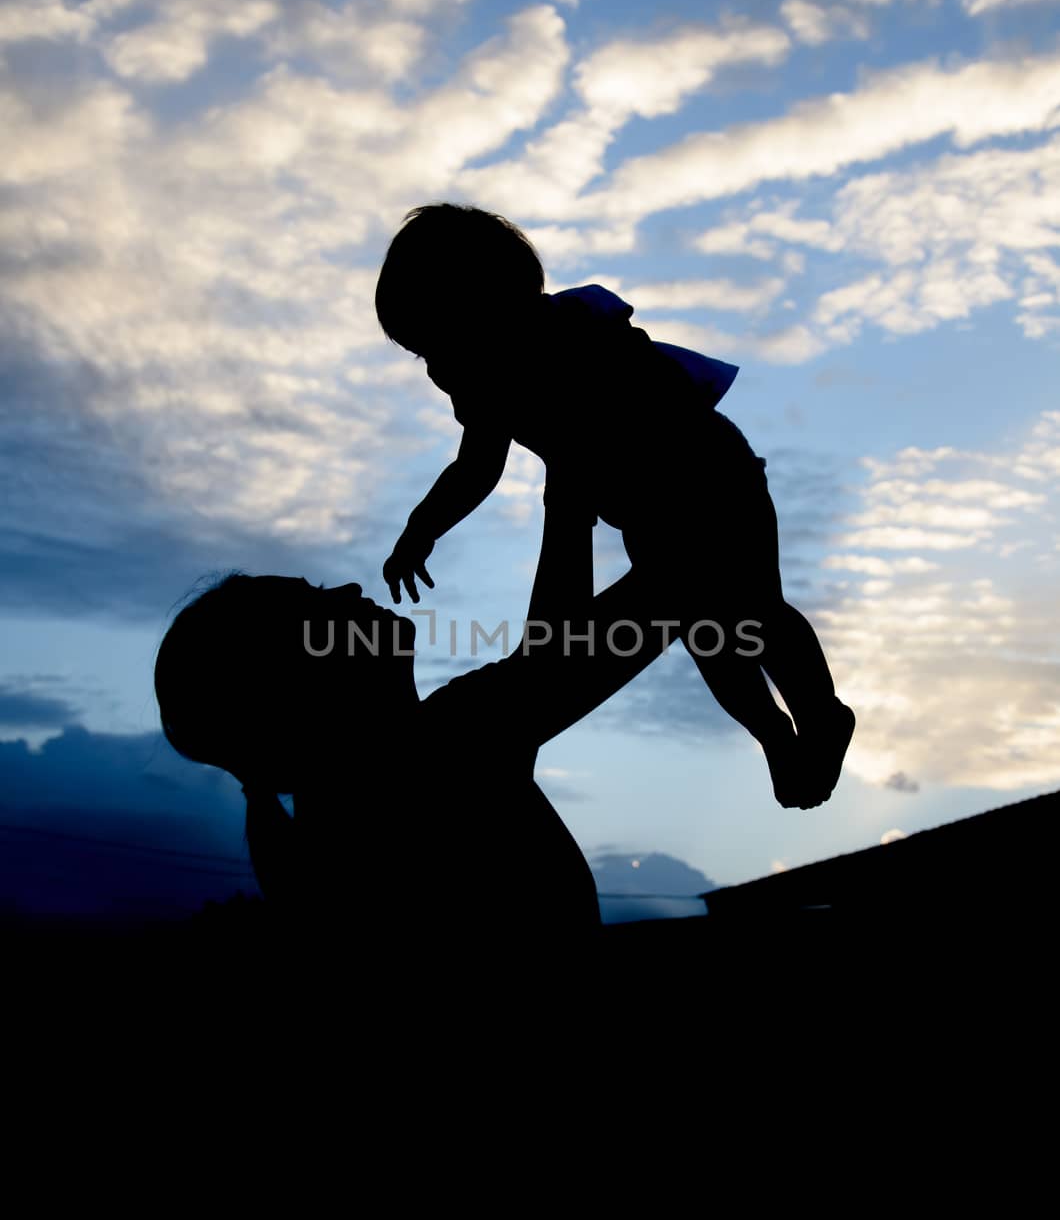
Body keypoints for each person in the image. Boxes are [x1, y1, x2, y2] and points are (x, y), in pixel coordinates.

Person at [375, 202, 854, 810]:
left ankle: (821, 714)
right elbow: (477, 465)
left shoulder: (576, 336)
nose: (440, 369)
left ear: (498, 306)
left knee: (753, 609)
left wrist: (617, 441)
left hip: (712, 478)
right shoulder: (478, 377)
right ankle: (773, 735)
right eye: (426, 353)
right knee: (709, 634)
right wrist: (422, 528)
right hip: (644, 511)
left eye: (444, 339)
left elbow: (670, 404)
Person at [154, 480, 675, 948]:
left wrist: (568, 494)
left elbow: (553, 655)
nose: (349, 591)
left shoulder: (357, 805)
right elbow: (670, 589)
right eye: (315, 604)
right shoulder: (433, 755)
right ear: (291, 684)